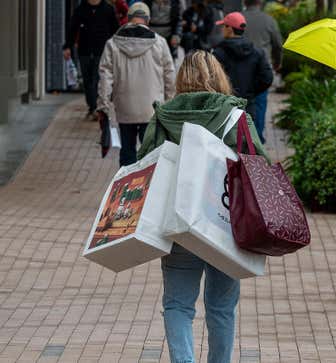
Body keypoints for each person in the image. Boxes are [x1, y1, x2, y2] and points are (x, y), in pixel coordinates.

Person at [137, 51, 268, 363]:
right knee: (221, 307)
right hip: (226, 223)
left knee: (177, 305)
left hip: (178, 222)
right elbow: (259, 165)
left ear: (182, 78)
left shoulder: (163, 116)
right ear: (219, 77)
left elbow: (144, 165)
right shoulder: (236, 117)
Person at [97, 2, 176, 166]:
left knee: (127, 152)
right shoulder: (159, 43)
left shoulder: (113, 44)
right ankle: (148, 188)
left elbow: (105, 77)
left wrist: (103, 105)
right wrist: (169, 102)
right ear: (147, 20)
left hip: (124, 107)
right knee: (150, 154)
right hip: (152, 108)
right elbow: (169, 75)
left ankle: (126, 187)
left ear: (128, 19)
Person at [212, 12, 273, 142]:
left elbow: (211, 79)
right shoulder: (257, 52)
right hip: (248, 105)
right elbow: (267, 78)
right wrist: (250, 91)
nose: (222, 29)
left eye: (224, 26)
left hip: (224, 107)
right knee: (248, 143)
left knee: (225, 145)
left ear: (229, 28)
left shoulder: (218, 53)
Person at [63, 0, 120, 120]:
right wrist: (68, 46)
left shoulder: (108, 9)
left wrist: (117, 47)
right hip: (84, 51)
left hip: (102, 51)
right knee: (87, 80)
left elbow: (115, 29)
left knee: (97, 79)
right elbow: (73, 28)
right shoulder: (80, 9)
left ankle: (96, 108)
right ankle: (92, 107)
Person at [242, 0, 283, 144]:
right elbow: (278, 45)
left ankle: (243, 138)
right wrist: (277, 63)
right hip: (262, 69)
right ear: (260, 3)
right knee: (260, 103)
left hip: (242, 69)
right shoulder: (269, 20)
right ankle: (257, 138)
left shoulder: (239, 18)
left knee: (241, 103)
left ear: (244, 2)